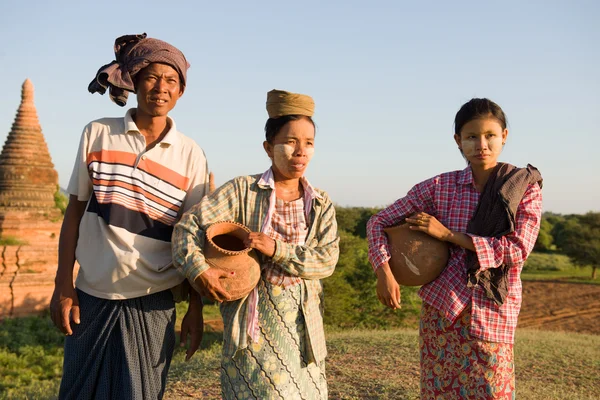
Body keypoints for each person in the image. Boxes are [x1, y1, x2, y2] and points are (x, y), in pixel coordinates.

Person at [50, 33, 209, 400]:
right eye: (152, 77)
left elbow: (194, 238)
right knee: (77, 391)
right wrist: (63, 286)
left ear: (181, 92)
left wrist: (195, 309)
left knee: (141, 393)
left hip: (153, 298)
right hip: (92, 295)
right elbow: (74, 212)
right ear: (135, 82)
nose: (161, 88)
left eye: (171, 81)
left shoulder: (191, 156)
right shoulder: (98, 133)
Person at [367, 98, 543, 399]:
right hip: (441, 312)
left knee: (492, 391)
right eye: (472, 136)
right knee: (440, 392)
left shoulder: (522, 187)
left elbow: (516, 250)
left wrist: (449, 235)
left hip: (492, 310)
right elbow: (377, 222)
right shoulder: (439, 187)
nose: (481, 144)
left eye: (490, 135)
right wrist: (383, 270)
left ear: (504, 136)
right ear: (458, 141)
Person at [172, 89, 339, 399]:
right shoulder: (241, 191)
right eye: (290, 142)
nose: (300, 152)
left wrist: (276, 248)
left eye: (309, 143)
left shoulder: (320, 203)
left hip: (305, 330)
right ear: (268, 147)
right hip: (253, 330)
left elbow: (326, 260)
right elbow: (187, 228)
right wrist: (199, 271)